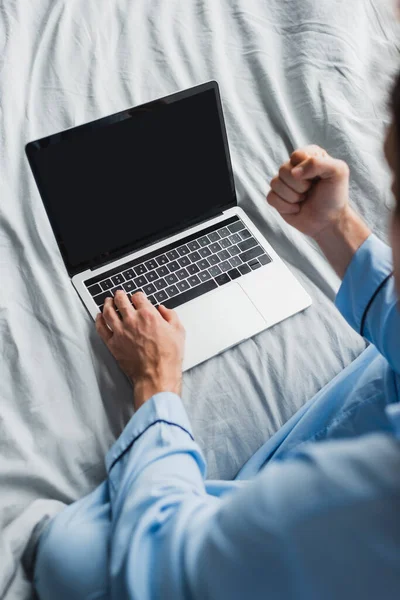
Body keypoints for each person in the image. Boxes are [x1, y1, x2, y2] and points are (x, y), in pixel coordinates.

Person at [31, 74, 400, 599]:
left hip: (268, 539)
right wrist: (335, 224)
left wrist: (156, 384)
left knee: (68, 558)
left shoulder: (373, 505)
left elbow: (168, 569)